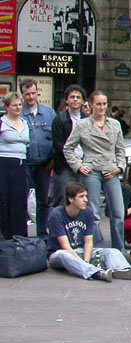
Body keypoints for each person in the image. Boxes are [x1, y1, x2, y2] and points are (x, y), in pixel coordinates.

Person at [63, 90, 127, 254]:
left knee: (118, 213)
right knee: (94, 213)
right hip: (91, 171)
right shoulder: (82, 125)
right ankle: (97, 249)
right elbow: (68, 148)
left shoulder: (114, 124)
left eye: (104, 104)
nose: (101, 107)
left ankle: (119, 250)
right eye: (98, 104)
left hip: (111, 170)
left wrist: (119, 167)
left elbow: (120, 149)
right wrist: (78, 166)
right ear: (90, 105)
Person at [46, 182, 131, 282]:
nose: (86, 200)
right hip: (59, 254)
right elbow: (65, 246)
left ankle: (122, 269)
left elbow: (88, 241)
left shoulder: (88, 212)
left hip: (80, 251)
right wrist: (84, 264)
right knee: (64, 255)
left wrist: (86, 260)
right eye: (81, 196)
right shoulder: (57, 214)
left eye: (86, 196)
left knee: (112, 251)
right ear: (70, 199)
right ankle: (96, 273)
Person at [19, 80, 56, 236]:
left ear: (37, 92)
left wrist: (53, 159)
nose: (31, 97)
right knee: (22, 200)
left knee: (43, 201)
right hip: (25, 163)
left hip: (44, 164)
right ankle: (22, 235)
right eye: (27, 94)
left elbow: (57, 137)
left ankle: (42, 234)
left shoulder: (49, 113)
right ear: (22, 95)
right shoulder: (19, 113)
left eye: (33, 93)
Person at [49, 85, 87, 211]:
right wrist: (74, 162)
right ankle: (59, 229)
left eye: (78, 97)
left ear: (83, 101)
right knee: (62, 200)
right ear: (66, 100)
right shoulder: (59, 119)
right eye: (72, 97)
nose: (75, 100)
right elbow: (58, 145)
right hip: (65, 166)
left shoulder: (88, 120)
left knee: (83, 201)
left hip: (85, 165)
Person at [0, 92, 31, 239]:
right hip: (4, 164)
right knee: (5, 200)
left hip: (21, 164)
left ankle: (20, 236)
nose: (18, 107)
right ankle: (6, 235)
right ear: (7, 107)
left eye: (20, 104)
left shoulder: (25, 123)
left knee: (20, 201)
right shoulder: (2, 123)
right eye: (14, 105)